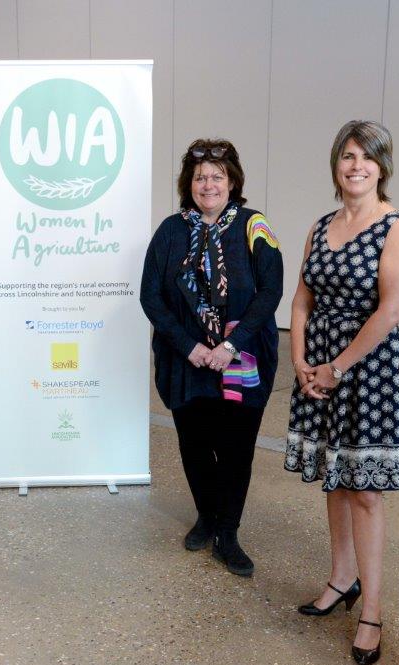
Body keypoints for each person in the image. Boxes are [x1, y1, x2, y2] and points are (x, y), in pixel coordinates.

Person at [285, 121, 399, 665]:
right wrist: (300, 362)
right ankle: (342, 579)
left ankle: (373, 610)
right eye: (347, 155)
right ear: (335, 164)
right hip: (318, 366)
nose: (356, 165)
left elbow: (390, 311)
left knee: (365, 491)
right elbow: (301, 301)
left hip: (367, 370)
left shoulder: (397, 228)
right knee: (335, 480)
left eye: (367, 156)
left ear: (383, 166)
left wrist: (337, 366)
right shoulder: (321, 226)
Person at [139, 139, 284, 576]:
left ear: (232, 180)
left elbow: (270, 290)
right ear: (189, 183)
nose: (208, 184)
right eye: (200, 177)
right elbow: (151, 296)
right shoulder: (170, 230)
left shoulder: (254, 225)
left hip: (241, 360)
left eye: (217, 176)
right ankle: (206, 516)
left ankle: (229, 533)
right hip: (187, 361)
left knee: (237, 447)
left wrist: (229, 347)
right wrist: (192, 347)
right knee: (195, 444)